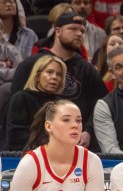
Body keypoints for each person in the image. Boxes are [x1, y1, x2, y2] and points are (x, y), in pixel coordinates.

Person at [10, 13, 108, 150]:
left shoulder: (88, 69)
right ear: (58, 31)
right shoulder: (30, 64)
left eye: (82, 31)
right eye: (73, 29)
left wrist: (88, 131)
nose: (79, 34)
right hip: (30, 148)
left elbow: (100, 105)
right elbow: (14, 114)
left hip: (75, 142)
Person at [4, 55, 66, 150]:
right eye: (49, 72)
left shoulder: (61, 104)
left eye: (59, 74)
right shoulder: (21, 98)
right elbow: (17, 136)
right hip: (19, 156)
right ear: (37, 76)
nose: (54, 77)